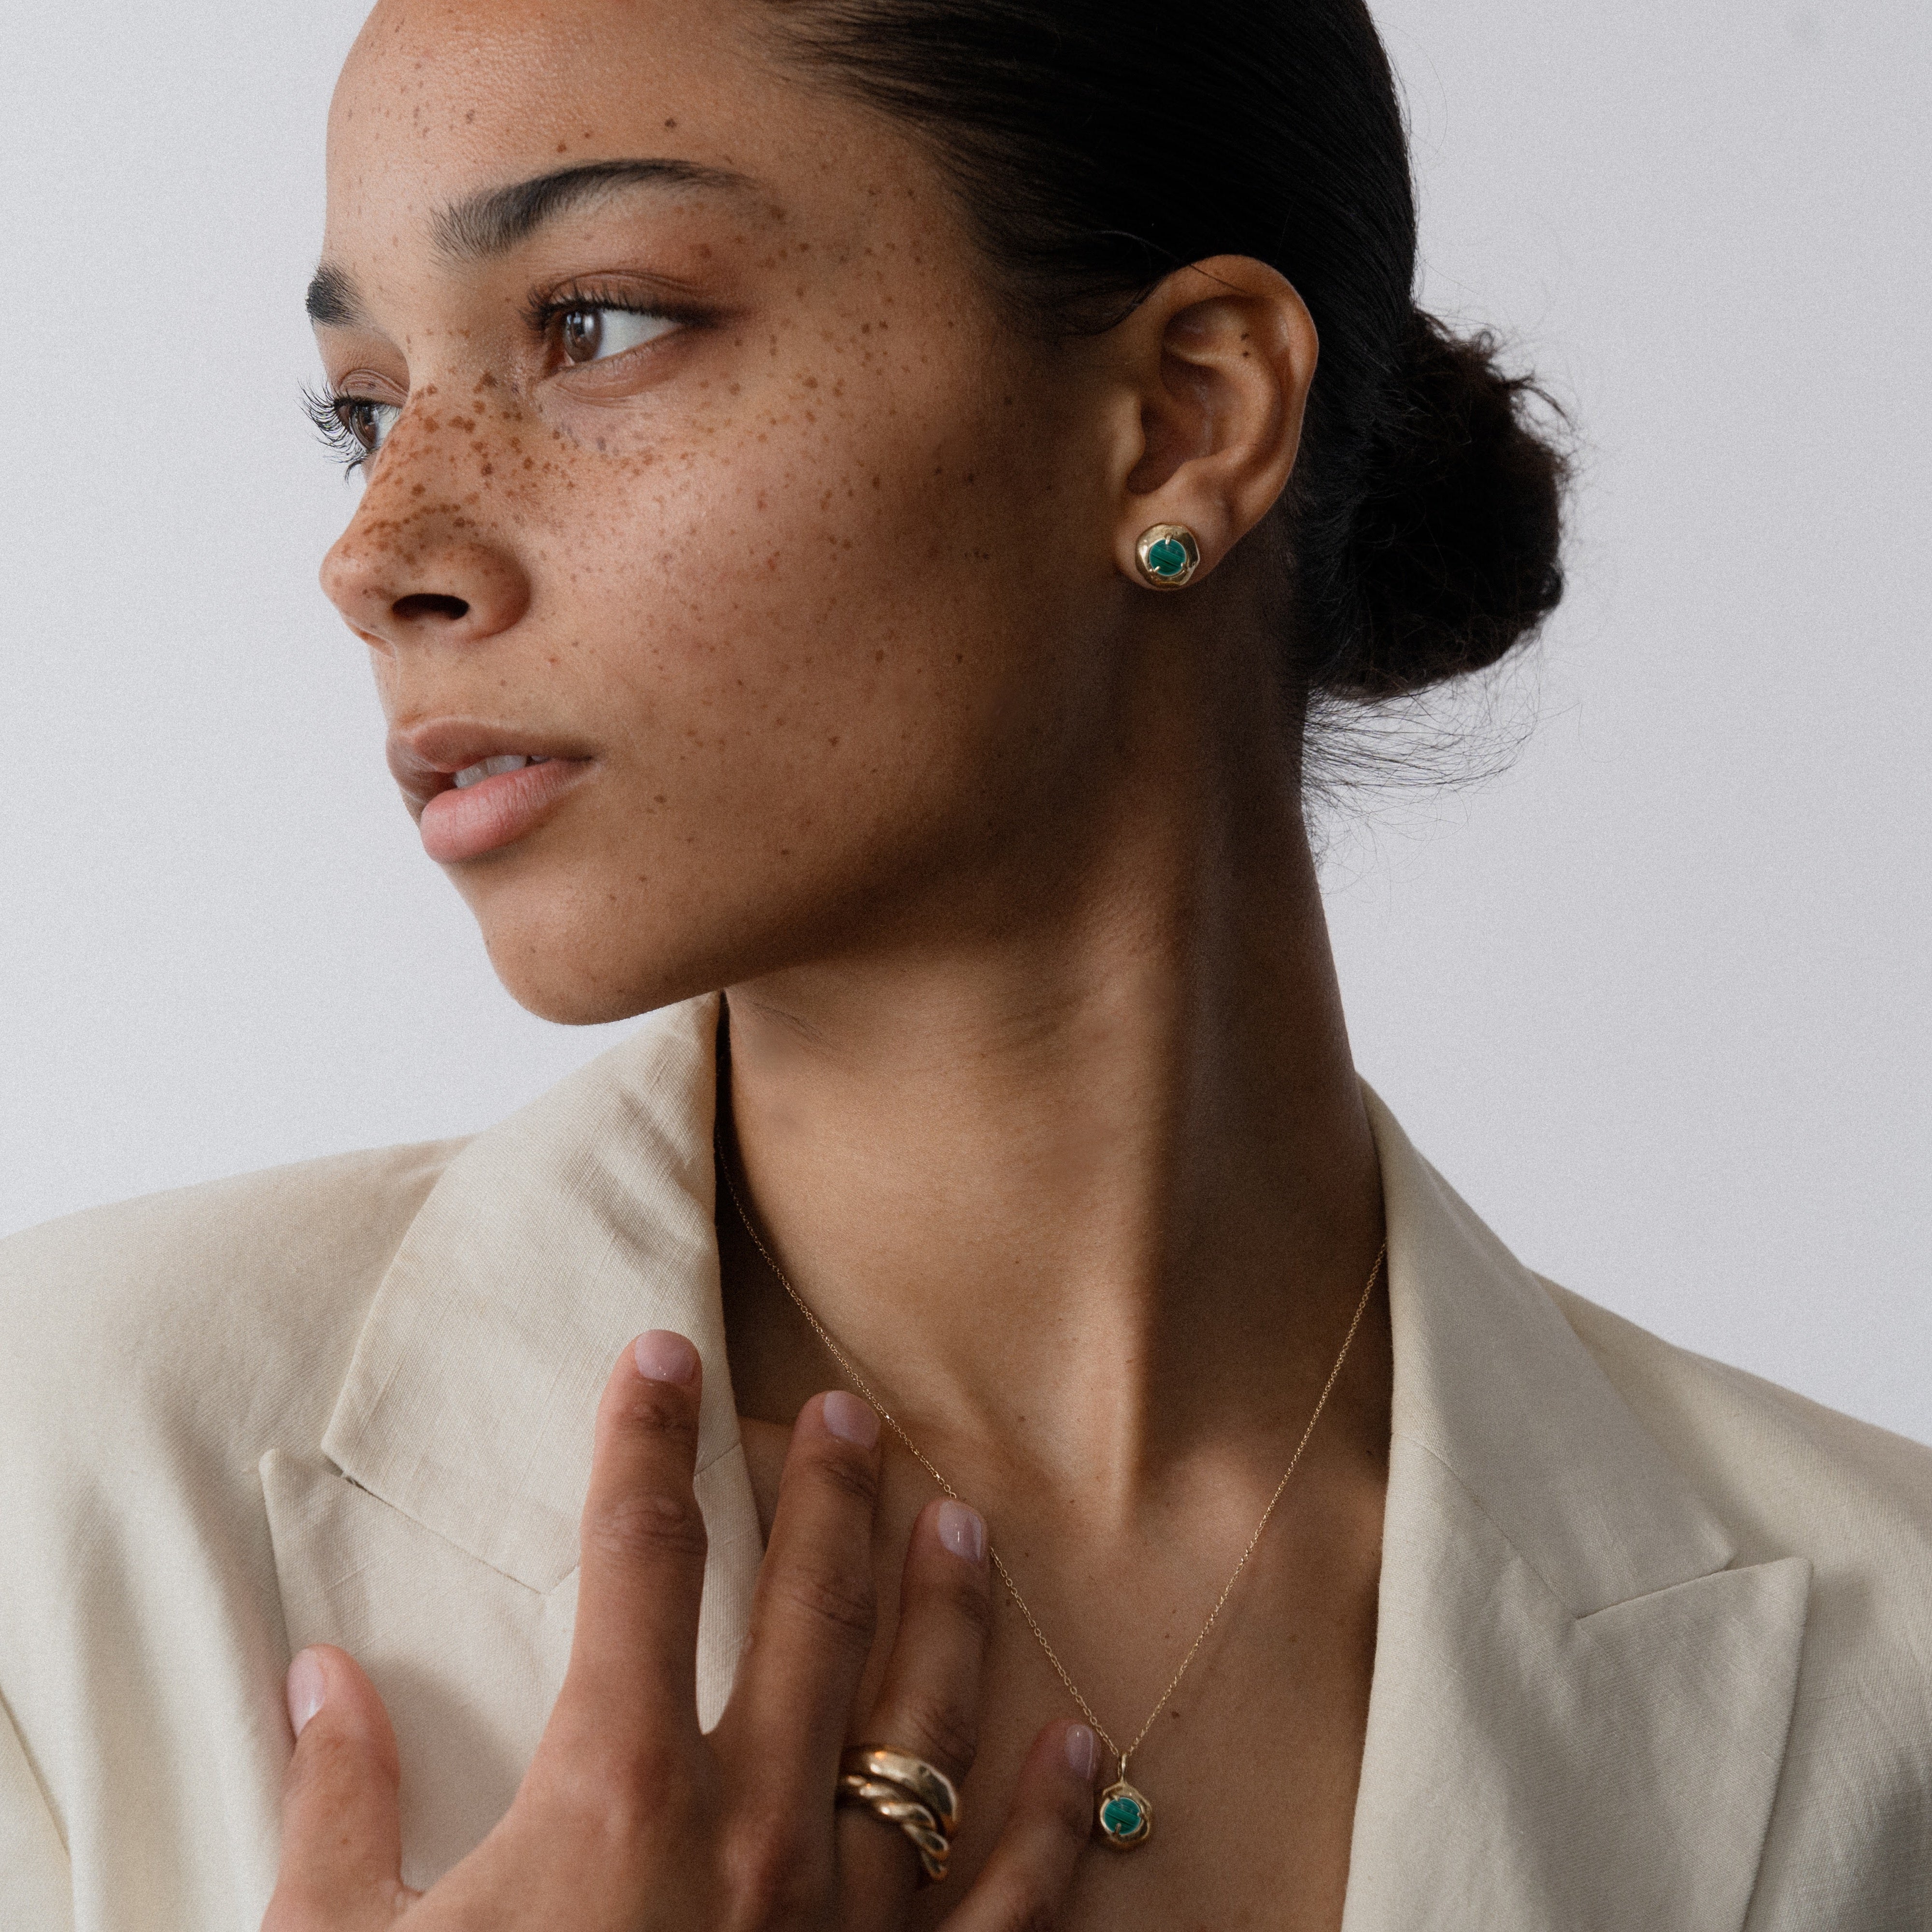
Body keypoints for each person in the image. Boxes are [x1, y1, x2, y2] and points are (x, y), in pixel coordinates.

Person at [1, 0, 1927, 1926]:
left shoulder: (1887, 1673)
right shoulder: (64, 1499)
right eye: (362, 408)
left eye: (598, 323)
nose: (379, 549)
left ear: (1184, 418)